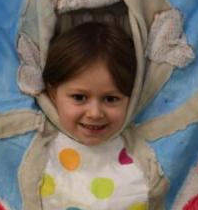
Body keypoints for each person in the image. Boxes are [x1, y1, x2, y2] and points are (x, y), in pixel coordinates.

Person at [42, 19, 136, 147]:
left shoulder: (141, 148)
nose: (95, 114)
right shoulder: (38, 144)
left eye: (110, 99)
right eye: (79, 97)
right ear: (53, 94)